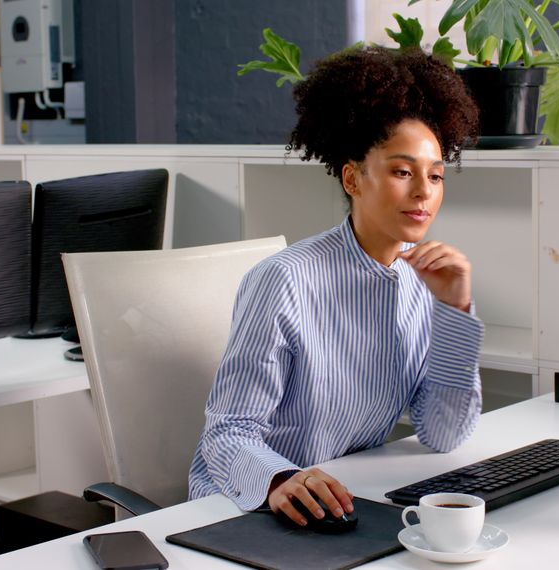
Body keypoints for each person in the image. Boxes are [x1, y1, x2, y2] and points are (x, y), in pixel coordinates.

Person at [187, 46, 484, 527]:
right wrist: (282, 478)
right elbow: (228, 433)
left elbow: (444, 433)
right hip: (254, 502)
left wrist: (456, 310)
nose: (424, 192)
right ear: (353, 177)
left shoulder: (426, 283)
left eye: (435, 176)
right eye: (402, 172)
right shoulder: (284, 280)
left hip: (345, 501)